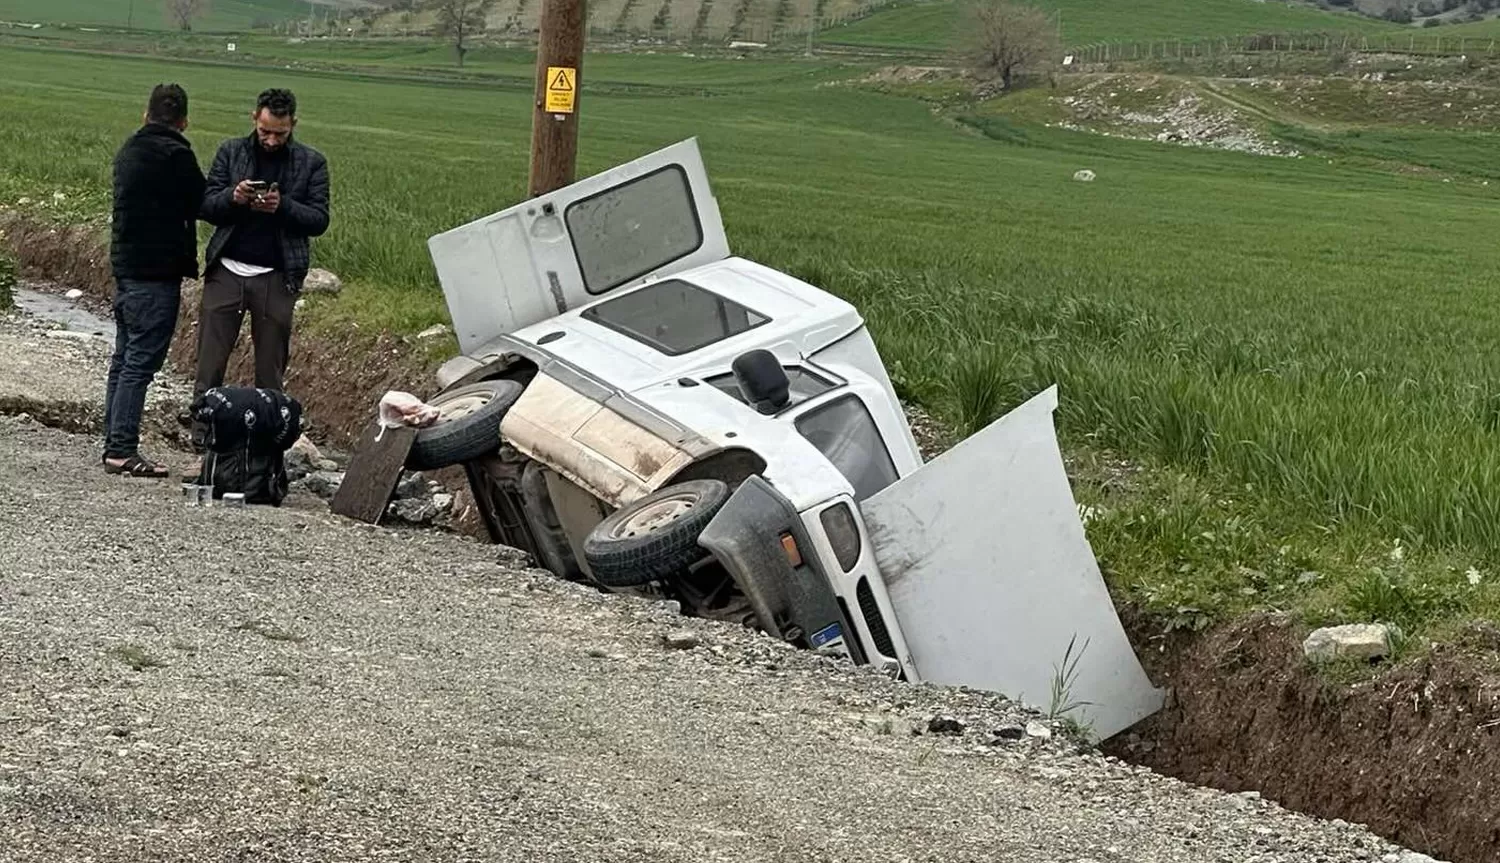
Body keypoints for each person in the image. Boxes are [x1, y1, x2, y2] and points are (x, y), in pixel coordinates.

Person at [195, 87, 330, 415]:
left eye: (279, 134)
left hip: (277, 277)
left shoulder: (312, 163)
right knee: (209, 364)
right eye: (264, 131)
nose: (271, 140)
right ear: (254, 118)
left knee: (270, 371)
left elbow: (319, 219)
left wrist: (282, 207)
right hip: (226, 271)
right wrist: (234, 197)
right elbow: (206, 206)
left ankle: (266, 436)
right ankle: (203, 430)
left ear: (293, 124)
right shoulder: (231, 152)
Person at [103, 83, 206, 479]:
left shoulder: (129, 149)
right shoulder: (176, 154)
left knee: (123, 358)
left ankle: (114, 441)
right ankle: (121, 449)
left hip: (126, 267)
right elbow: (201, 202)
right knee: (140, 363)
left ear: (146, 115)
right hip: (157, 273)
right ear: (184, 122)